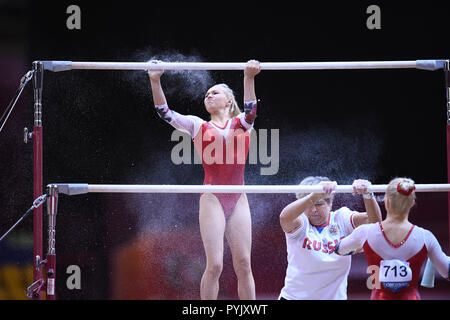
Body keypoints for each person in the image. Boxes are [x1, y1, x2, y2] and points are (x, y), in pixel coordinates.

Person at [147, 60, 261, 300]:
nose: (208, 95)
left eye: (215, 92)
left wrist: (248, 77)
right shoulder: (197, 125)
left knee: (244, 264)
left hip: (238, 197)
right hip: (212, 198)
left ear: (229, 101)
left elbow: (251, 110)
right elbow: (163, 113)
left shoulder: (241, 124)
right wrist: (155, 80)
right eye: (207, 93)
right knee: (215, 265)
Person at [336, 177, 450, 299]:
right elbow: (445, 271)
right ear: (412, 203)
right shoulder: (426, 237)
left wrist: (361, 246)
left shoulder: (365, 232)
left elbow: (339, 249)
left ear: (387, 201)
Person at [279, 176, 382, 300]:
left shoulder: (341, 218)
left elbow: (375, 225)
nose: (313, 210)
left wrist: (368, 194)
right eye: (309, 205)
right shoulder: (301, 223)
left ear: (330, 204)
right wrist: (313, 196)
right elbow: (284, 218)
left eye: (319, 204)